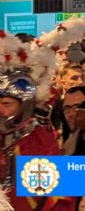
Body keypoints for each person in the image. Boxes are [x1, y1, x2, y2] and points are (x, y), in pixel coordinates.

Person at [0, 30, 75, 211]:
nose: (1, 110)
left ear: (24, 106)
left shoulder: (39, 141)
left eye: (6, 104)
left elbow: (56, 200)